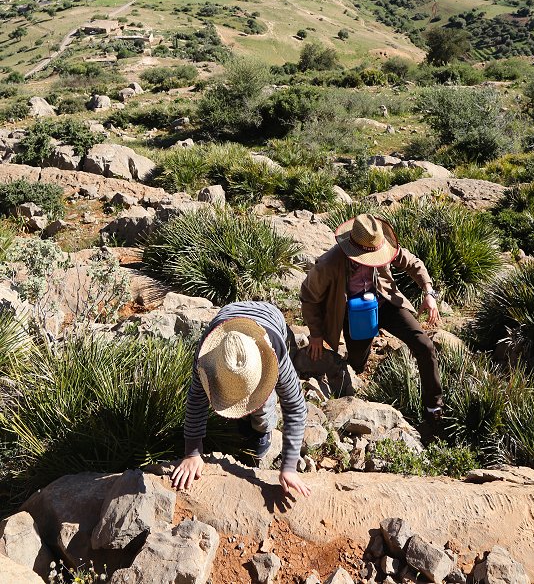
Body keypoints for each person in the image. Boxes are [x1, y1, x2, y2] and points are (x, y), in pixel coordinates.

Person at [300, 213, 443, 433]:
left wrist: (429, 292)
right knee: (357, 364)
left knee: (424, 345)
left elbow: (413, 263)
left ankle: (434, 408)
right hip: (355, 314)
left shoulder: (383, 246)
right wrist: (316, 334)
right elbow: (309, 295)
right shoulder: (330, 263)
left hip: (385, 303)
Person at [171, 300, 310, 497]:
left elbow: (295, 406)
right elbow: (197, 399)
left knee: (264, 404)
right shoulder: (207, 356)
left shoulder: (275, 352)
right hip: (229, 313)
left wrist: (289, 466)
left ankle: (262, 431)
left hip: (271, 317)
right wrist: (192, 452)